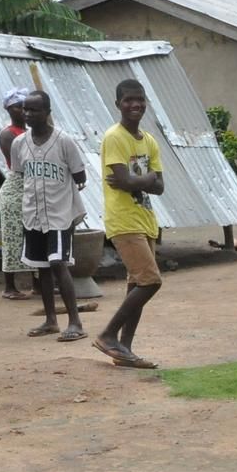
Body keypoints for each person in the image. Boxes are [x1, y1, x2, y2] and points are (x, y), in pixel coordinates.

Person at [94, 79, 165, 370]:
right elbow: (122, 181)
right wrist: (144, 179)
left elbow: (159, 186)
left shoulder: (148, 141)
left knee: (137, 283)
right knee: (151, 280)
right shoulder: (114, 137)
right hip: (123, 220)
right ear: (118, 104)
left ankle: (124, 349)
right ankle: (108, 334)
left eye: (139, 99)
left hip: (145, 218)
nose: (135, 104)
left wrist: (141, 181)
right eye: (128, 100)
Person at [12, 90, 88, 342]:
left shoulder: (63, 141)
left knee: (58, 263)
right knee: (41, 267)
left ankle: (75, 322)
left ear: (47, 113)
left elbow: (80, 177)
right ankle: (50, 320)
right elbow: (21, 174)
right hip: (33, 212)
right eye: (25, 109)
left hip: (59, 213)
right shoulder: (19, 143)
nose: (28, 114)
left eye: (34, 110)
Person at [0, 87, 33, 300]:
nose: (23, 112)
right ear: (9, 110)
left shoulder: (30, 133)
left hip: (31, 186)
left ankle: (38, 283)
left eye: (25, 108)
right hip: (16, 187)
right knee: (12, 236)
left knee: (35, 235)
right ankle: (9, 287)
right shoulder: (8, 134)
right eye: (18, 107)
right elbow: (22, 162)